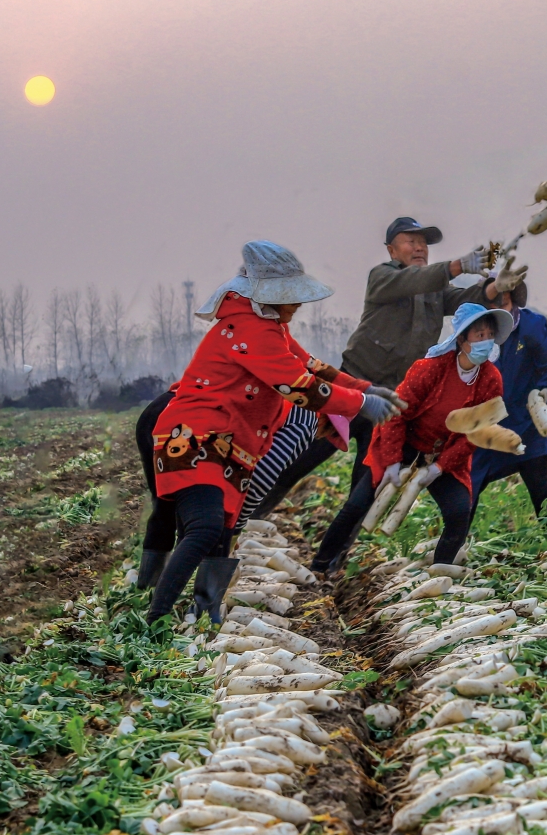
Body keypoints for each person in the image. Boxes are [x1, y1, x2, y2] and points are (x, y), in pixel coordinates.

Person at [143, 241, 399, 625]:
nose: (297, 304)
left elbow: (312, 366)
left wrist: (363, 387)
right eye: (290, 295)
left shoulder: (272, 328)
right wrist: (360, 404)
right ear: (270, 295)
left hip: (230, 443)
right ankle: (156, 620)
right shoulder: (250, 329)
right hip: (196, 436)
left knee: (221, 529)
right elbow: (298, 386)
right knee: (206, 527)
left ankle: (205, 613)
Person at [246, 217, 528, 518]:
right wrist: (457, 266)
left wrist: (494, 287)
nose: (419, 248)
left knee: (367, 481)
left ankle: (339, 545)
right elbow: (413, 281)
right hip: (351, 388)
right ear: (392, 250)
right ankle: (248, 517)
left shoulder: (434, 290)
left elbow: (463, 300)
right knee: (301, 458)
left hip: (389, 402)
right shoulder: (382, 277)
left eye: (423, 243)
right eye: (411, 241)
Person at [312, 303, 514, 571]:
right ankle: (321, 565)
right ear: (462, 339)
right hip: (403, 443)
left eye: (490, 335)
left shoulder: (491, 379)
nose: (486, 341)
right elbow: (396, 413)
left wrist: (439, 467)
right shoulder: (430, 368)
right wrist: (393, 461)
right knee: (357, 504)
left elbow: (477, 433)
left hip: (443, 454)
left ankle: (440, 573)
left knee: (458, 512)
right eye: (479, 335)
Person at [470, 277, 547, 518]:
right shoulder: (476, 332)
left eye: (505, 303)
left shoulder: (531, 327)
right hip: (487, 426)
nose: (500, 310)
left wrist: (542, 392)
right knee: (468, 488)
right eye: (493, 305)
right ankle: (454, 539)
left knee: (542, 488)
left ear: (513, 299)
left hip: (526, 424)